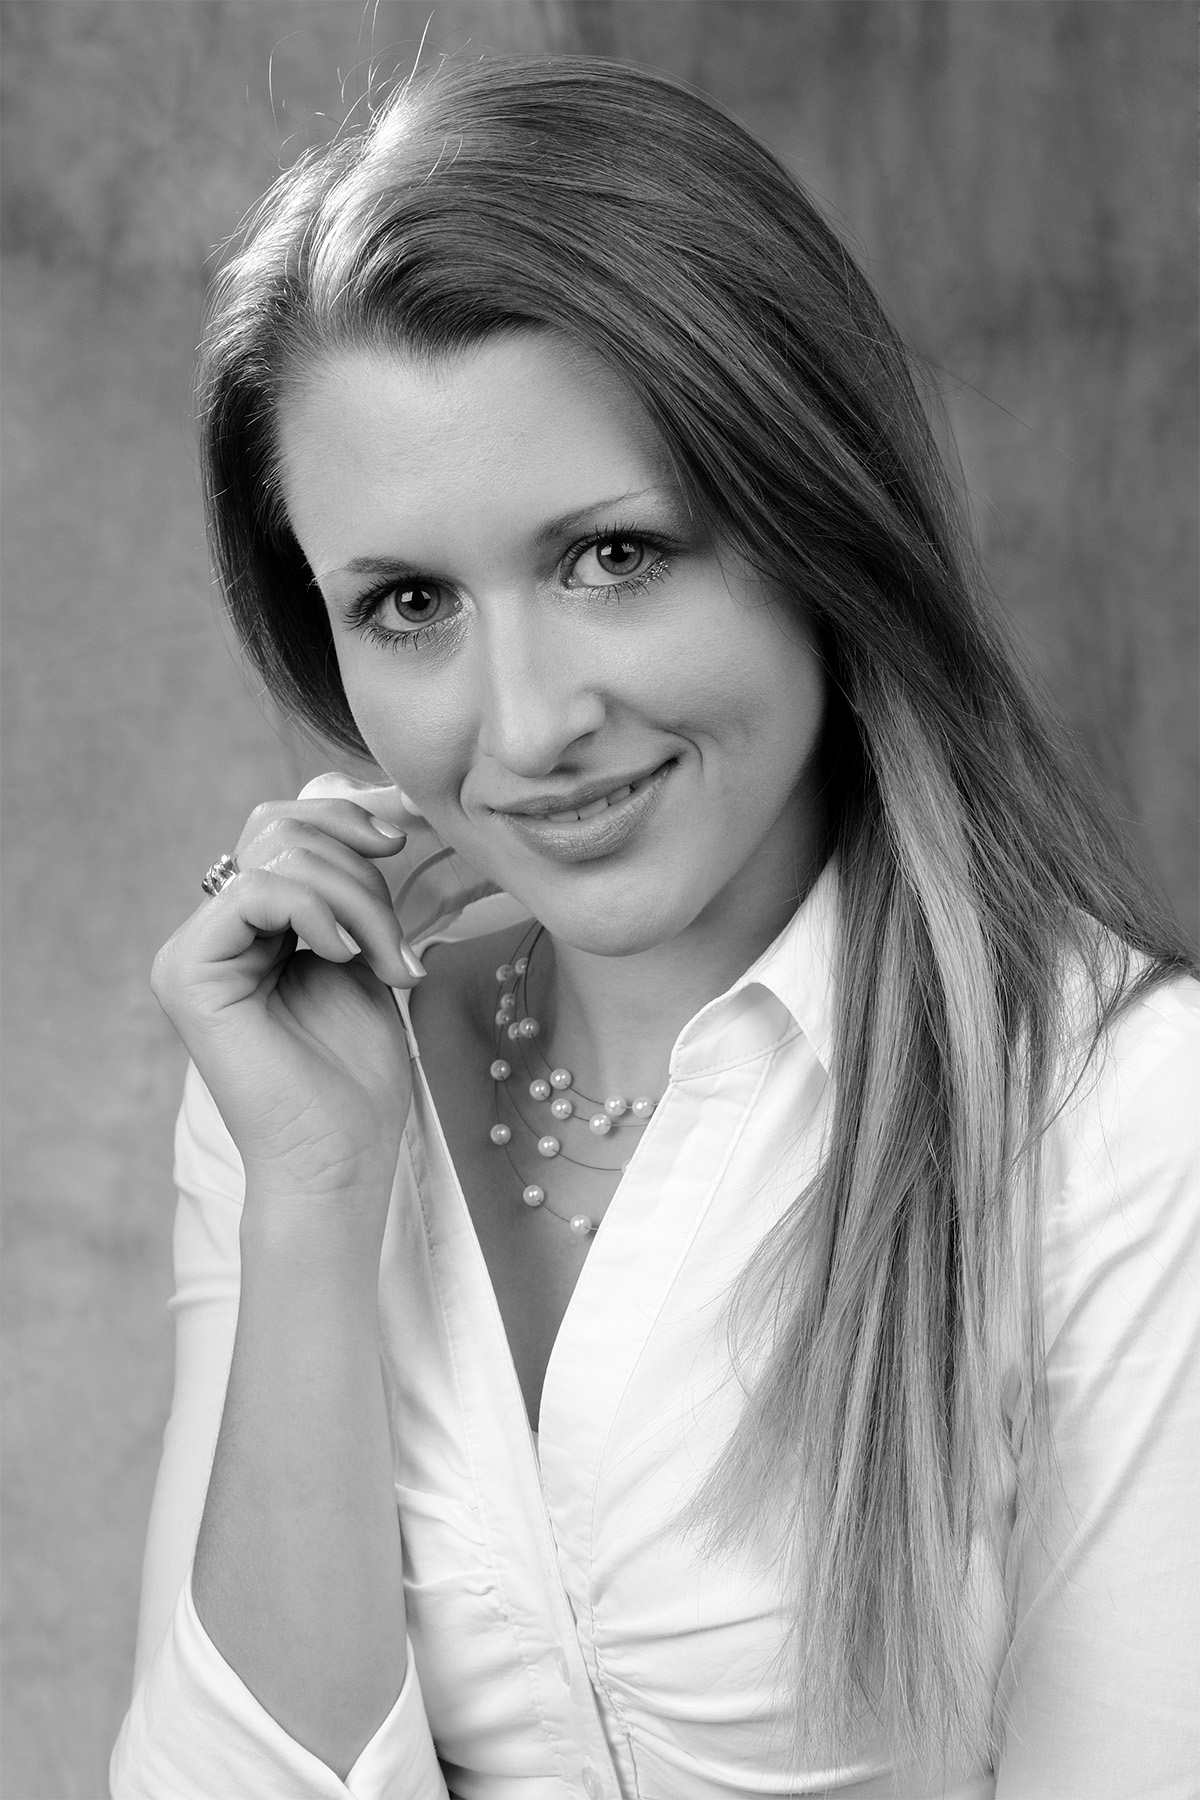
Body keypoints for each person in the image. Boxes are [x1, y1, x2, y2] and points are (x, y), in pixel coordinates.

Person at [111, 55, 1199, 1800]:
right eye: (409, 602)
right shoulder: (298, 1092)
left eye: (612, 557)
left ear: (819, 520)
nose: (528, 723)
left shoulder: (1119, 1122)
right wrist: (312, 1193)